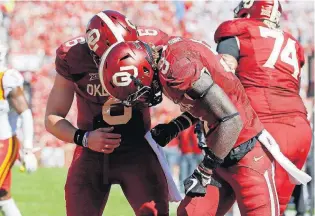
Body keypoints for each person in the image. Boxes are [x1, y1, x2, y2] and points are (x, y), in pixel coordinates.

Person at [98, 36, 285, 215]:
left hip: (247, 155)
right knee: (190, 212)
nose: (142, 97)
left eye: (137, 91)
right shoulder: (169, 59)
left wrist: (204, 170)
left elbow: (231, 120)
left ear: (143, 69)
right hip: (220, 157)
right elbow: (205, 105)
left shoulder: (177, 69)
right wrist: (176, 127)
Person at [45, 10, 187, 216]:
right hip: (91, 152)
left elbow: (189, 59)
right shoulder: (73, 56)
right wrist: (84, 138)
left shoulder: (153, 42)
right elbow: (53, 116)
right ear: (95, 54)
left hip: (138, 149)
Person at [214, 0, 312, 214]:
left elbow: (223, 73)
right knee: (277, 207)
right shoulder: (293, 43)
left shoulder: (238, 30)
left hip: (262, 128)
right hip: (299, 129)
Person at [0, 43, 37, 216]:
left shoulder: (6, 77)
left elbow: (25, 113)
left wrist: (27, 149)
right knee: (3, 196)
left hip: (3, 142)